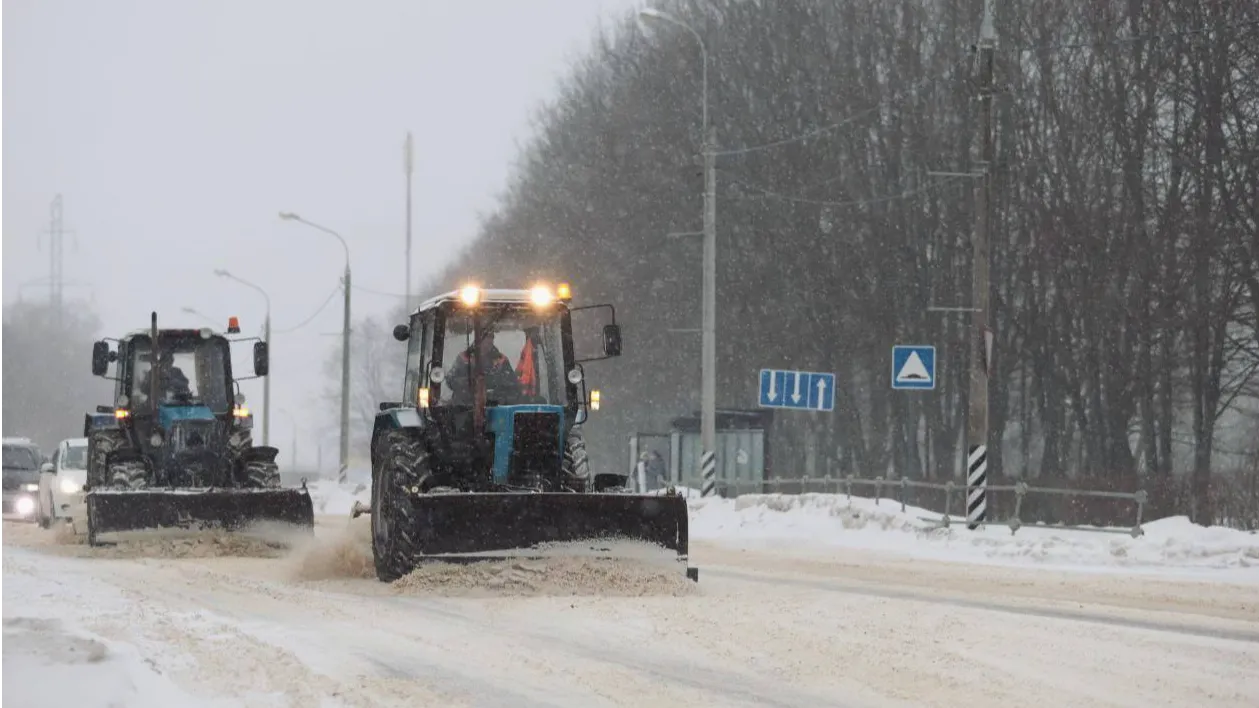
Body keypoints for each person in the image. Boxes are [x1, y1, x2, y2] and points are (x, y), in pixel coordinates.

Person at [446, 330, 522, 404]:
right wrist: (467, 384)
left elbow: (513, 386)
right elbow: (450, 379)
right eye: (486, 338)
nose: (488, 342)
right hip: (466, 408)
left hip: (494, 408)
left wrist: (498, 394)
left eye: (491, 338)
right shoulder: (464, 359)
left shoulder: (501, 360)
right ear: (478, 339)